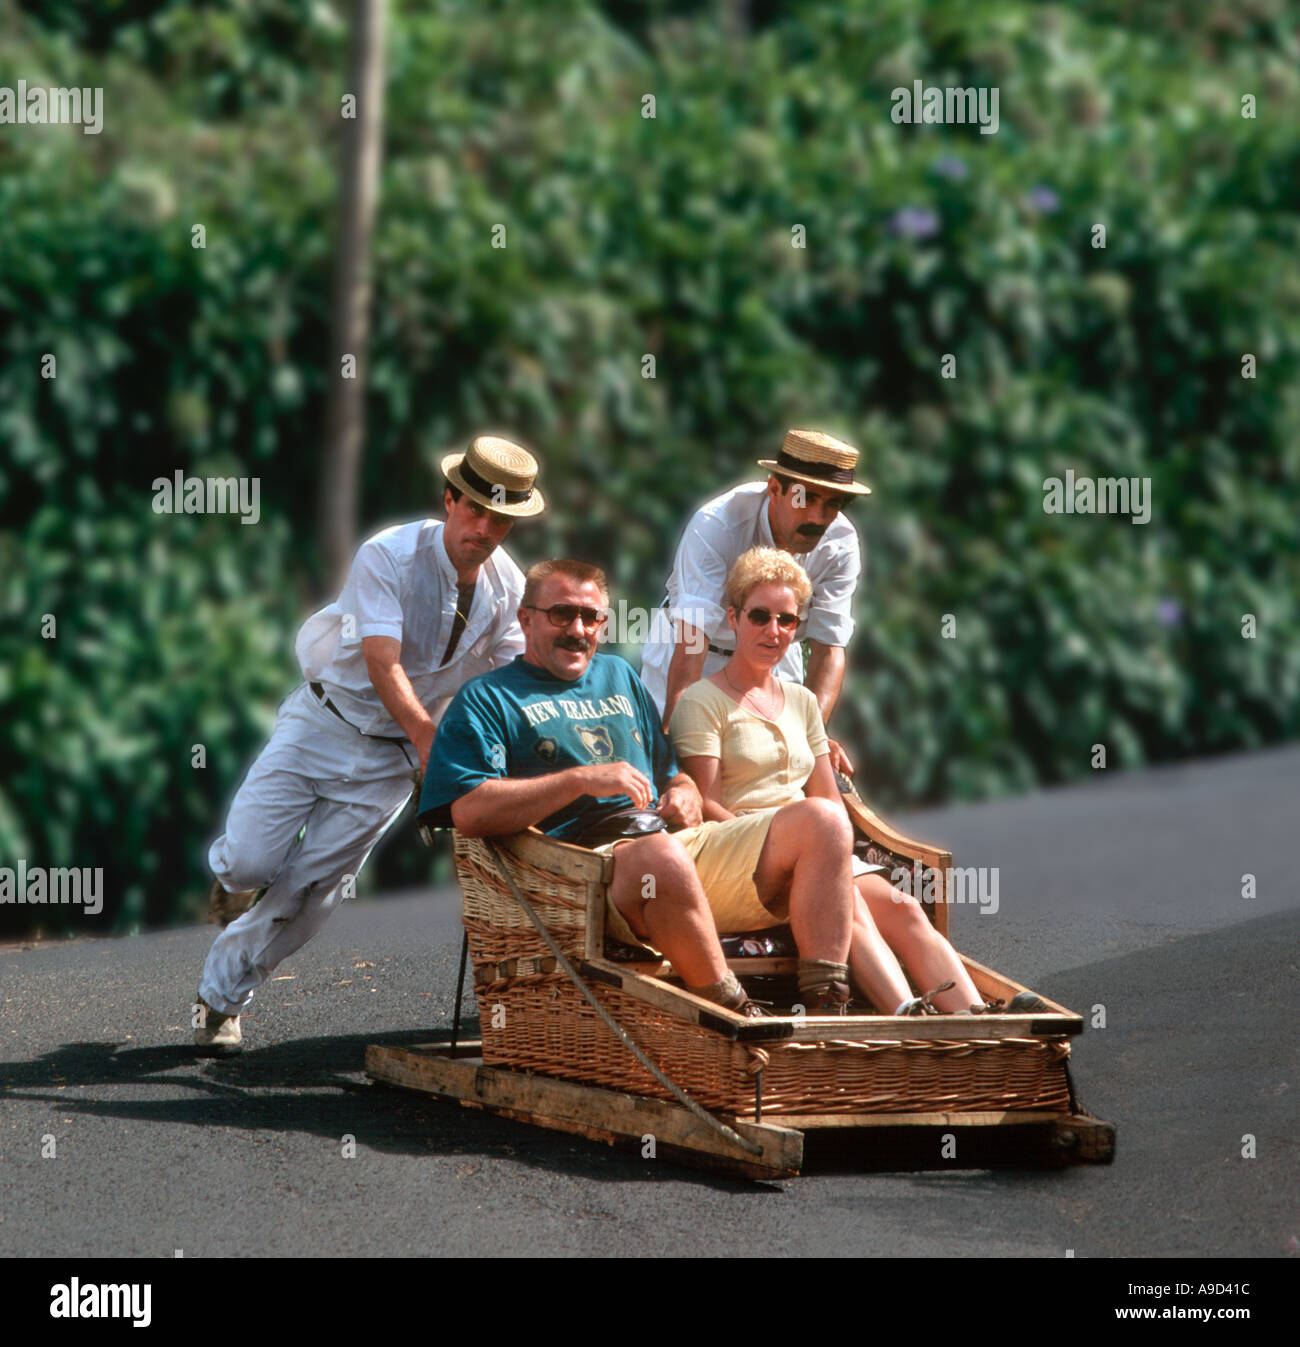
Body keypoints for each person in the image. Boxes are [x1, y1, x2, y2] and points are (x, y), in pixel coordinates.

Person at [193, 436, 546, 1054]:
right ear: (450, 500)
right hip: (323, 721)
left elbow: (511, 683)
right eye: (475, 510)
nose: (484, 529)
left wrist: (501, 755)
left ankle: (221, 1000)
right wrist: (430, 740)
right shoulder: (388, 554)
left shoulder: (509, 591)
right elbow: (383, 661)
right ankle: (232, 880)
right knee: (250, 861)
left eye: (501, 519)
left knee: (311, 894)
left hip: (391, 757)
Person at [417, 558, 859, 1016]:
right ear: (525, 618)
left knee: (823, 820)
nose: (577, 629)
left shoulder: (618, 675)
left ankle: (826, 1010)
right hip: (579, 874)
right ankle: (736, 1013)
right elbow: (467, 811)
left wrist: (685, 789)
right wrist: (579, 780)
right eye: (561, 614)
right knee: (659, 855)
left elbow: (671, 772)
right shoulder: (489, 697)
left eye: (591, 617)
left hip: (670, 851)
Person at [670, 546, 993, 1016]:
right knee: (852, 904)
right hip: (743, 851)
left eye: (787, 620)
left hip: (818, 842)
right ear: (733, 617)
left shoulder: (801, 700)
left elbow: (827, 798)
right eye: (759, 616)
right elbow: (706, 805)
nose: (773, 631)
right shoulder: (702, 700)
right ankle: (907, 1017)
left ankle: (976, 1021)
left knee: (903, 907)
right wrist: (793, 843)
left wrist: (829, 852)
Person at [639, 428, 870, 777]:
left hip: (774, 662)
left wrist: (809, 737)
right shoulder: (717, 525)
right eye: (805, 499)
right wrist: (678, 755)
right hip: (694, 657)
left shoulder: (841, 542)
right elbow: (691, 641)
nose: (818, 518)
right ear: (774, 489)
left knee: (777, 773)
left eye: (832, 504)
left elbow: (829, 647)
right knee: (672, 769)